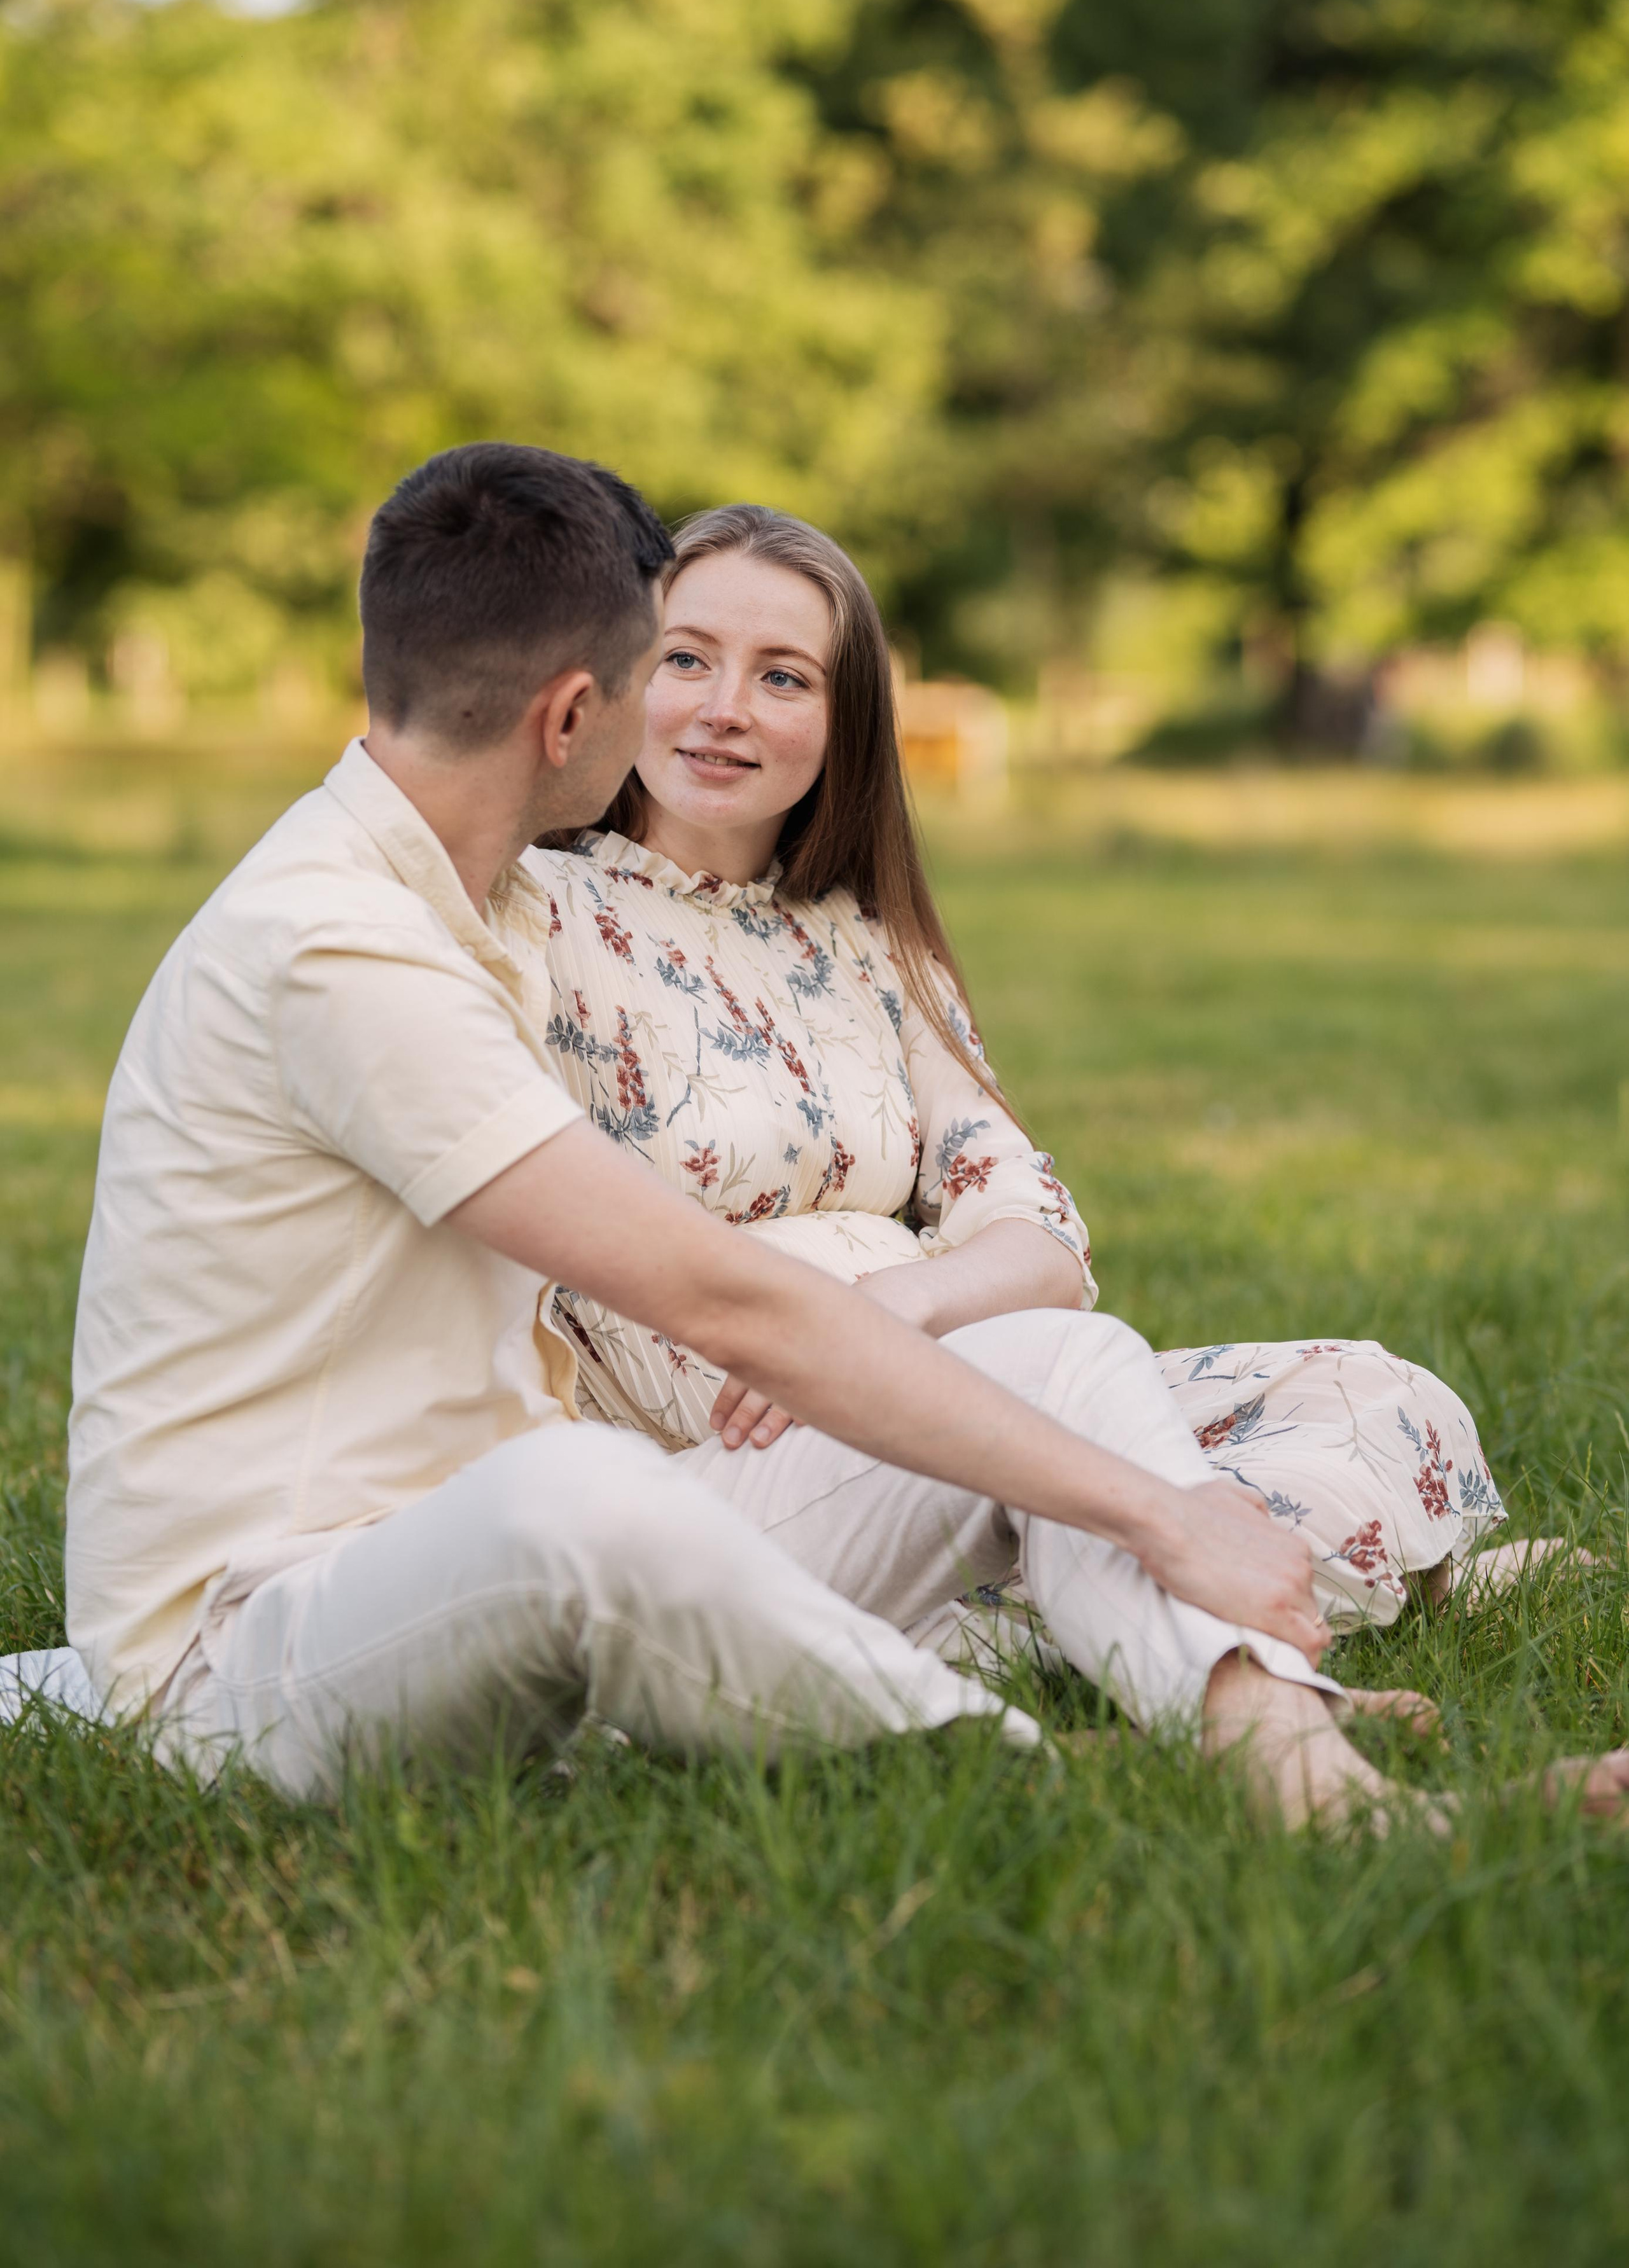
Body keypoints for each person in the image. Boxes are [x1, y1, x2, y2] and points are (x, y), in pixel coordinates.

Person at [51, 440, 1388, 1823]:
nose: (694, 715)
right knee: (574, 1497)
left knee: (1064, 1361)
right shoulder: (336, 948)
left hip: (520, 1555)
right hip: (261, 1640)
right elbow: (718, 1299)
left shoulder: (487, 902)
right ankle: (1012, 1770)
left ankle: (1287, 1762)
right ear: (574, 717)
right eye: (665, 669)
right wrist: (1159, 1511)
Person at [519, 503, 1593, 1751]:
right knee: (1097, 1459)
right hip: (744, 1459)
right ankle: (1303, 1624)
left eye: (783, 677)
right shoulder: (532, 916)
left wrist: (901, 1306)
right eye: (687, 659)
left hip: (965, 1387)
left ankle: (1043, 1637)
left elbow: (1041, 1240)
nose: (724, 710)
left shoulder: (868, 945)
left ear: (843, 719)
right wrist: (825, 1341)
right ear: (623, 677)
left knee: (1381, 1398)